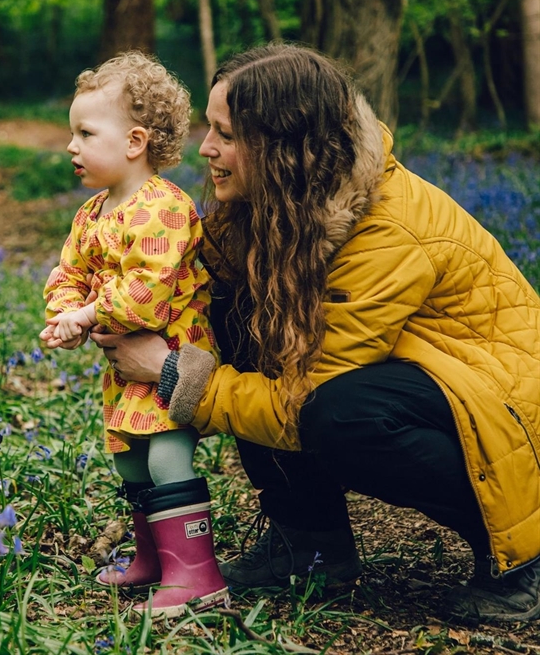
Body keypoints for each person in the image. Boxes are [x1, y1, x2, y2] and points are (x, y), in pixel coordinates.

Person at [91, 43, 540, 625]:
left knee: (341, 416)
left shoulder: (386, 233)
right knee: (232, 305)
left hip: (503, 411)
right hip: (423, 374)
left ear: (282, 148)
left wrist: (173, 373)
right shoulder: (279, 200)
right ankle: (310, 542)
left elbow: (298, 405)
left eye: (225, 134)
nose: (205, 149)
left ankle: (525, 555)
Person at [40, 51, 228, 618]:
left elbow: (147, 294)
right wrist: (66, 312)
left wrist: (90, 316)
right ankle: (153, 559)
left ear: (134, 141)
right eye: (70, 133)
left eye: (84, 132)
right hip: (126, 371)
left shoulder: (165, 209)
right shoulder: (91, 214)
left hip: (172, 361)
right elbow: (66, 273)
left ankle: (196, 574)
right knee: (131, 462)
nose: (70, 146)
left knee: (168, 460)